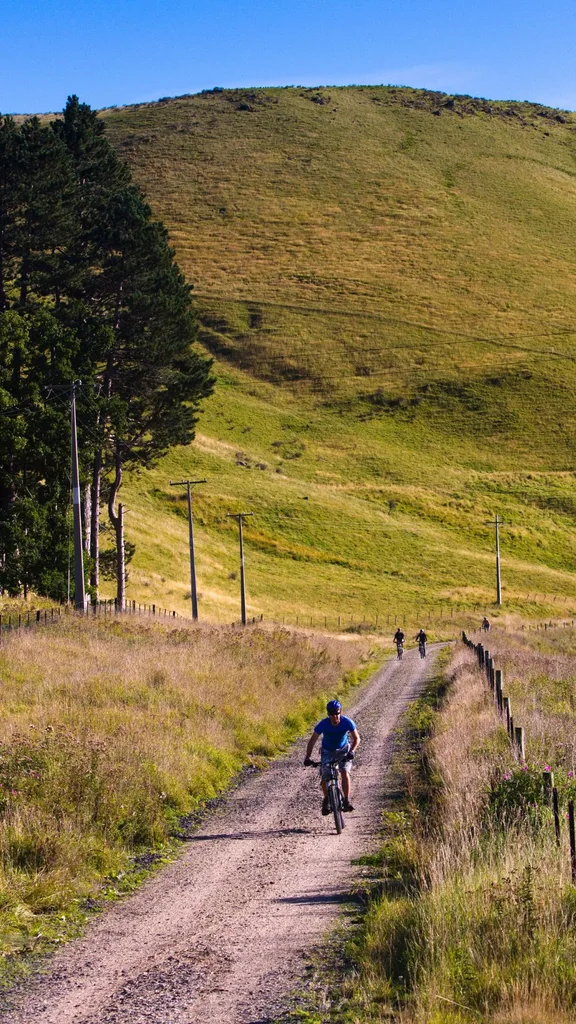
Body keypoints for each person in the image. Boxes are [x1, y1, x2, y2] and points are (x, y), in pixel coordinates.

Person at [304, 700, 360, 814]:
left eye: (337, 713)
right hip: (327, 751)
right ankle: (327, 800)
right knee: (325, 777)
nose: (335, 716)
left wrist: (352, 751)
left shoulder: (347, 722)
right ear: (328, 714)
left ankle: (346, 800)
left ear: (341, 712)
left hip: (343, 750)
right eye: (332, 714)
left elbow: (357, 738)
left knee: (344, 772)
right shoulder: (323, 724)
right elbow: (312, 741)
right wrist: (307, 757)